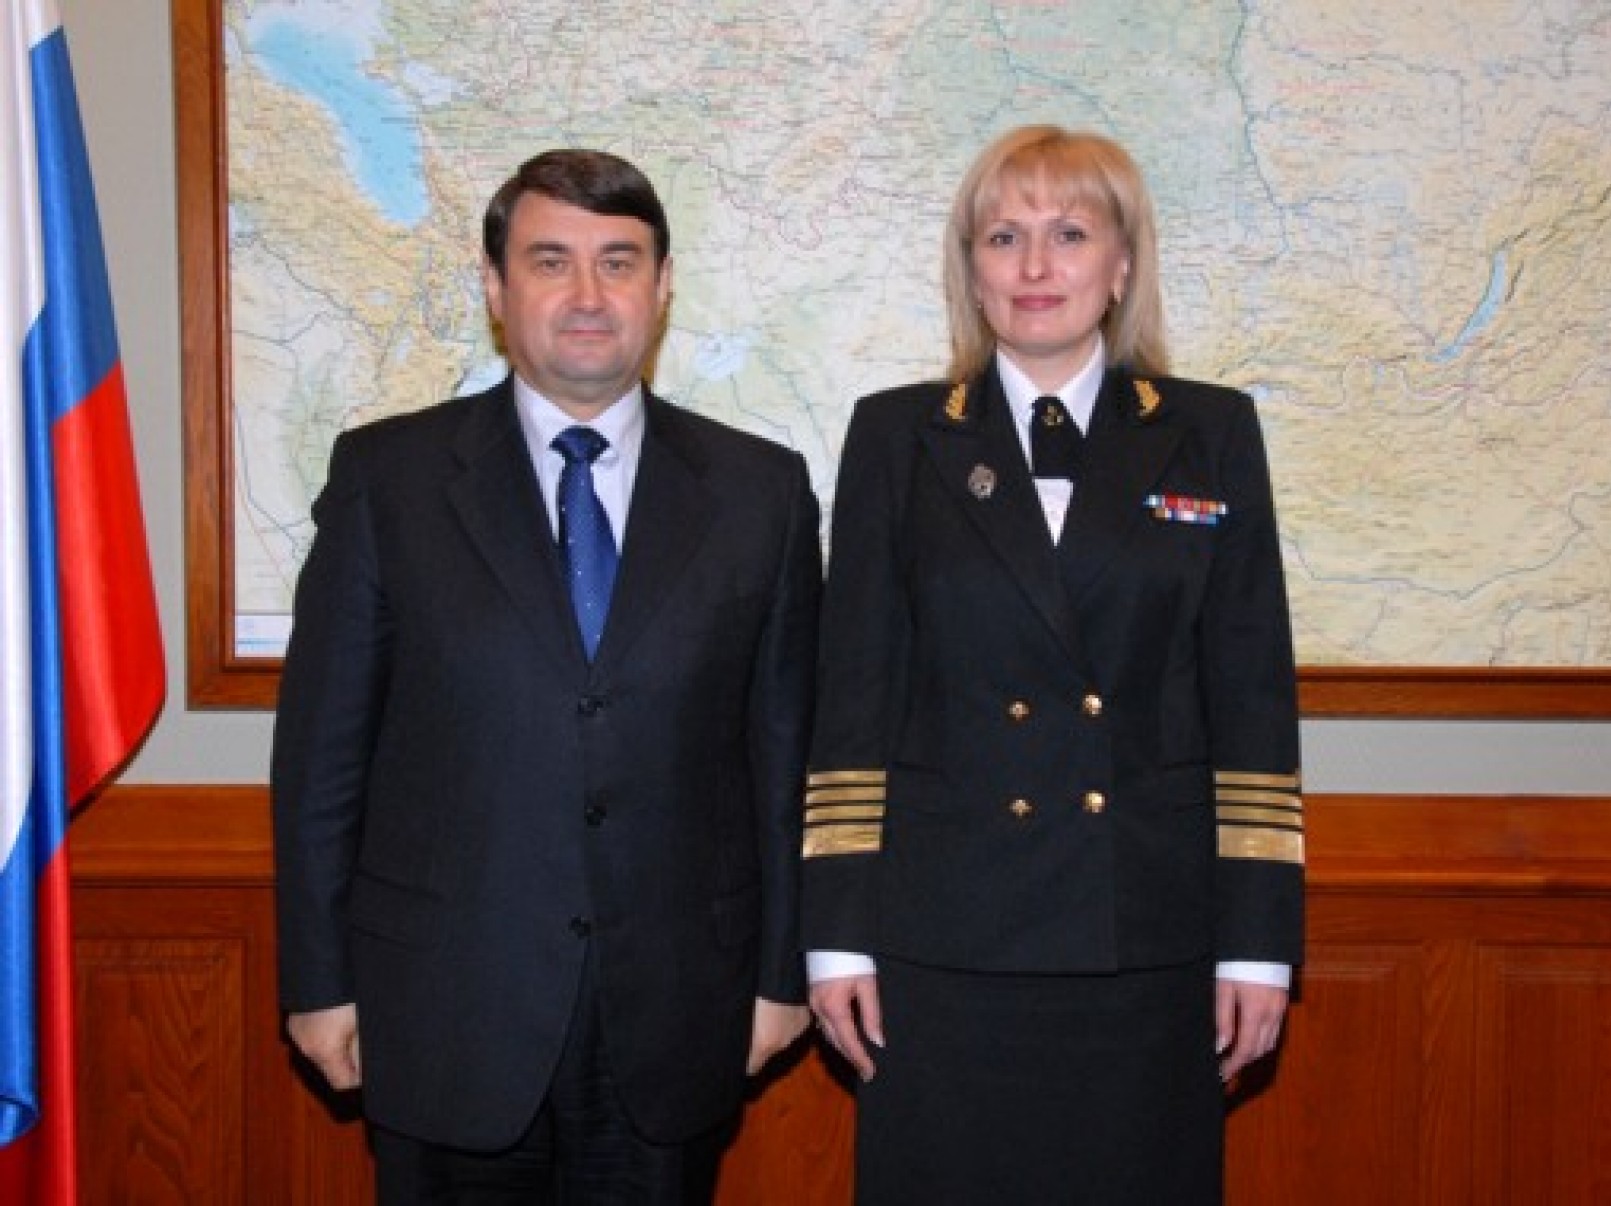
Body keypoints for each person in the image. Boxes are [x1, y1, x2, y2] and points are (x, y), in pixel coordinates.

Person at [272, 149, 820, 1204]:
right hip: (443, 1010)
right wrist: (319, 980)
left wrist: (780, 976)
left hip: (678, 1012)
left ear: (662, 287)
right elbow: (322, 758)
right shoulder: (388, 481)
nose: (587, 295)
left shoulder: (762, 493)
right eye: (550, 261)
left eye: (619, 262)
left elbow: (784, 755)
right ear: (494, 286)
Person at [803, 125, 1304, 1205]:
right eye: (1005, 237)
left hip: (1145, 938)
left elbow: (1253, 696)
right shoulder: (898, 437)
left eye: (1070, 234)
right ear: (972, 269)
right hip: (945, 943)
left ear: (1121, 266)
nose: (1036, 265)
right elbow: (852, 700)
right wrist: (835, 940)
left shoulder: (1210, 432)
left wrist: (1259, 947)